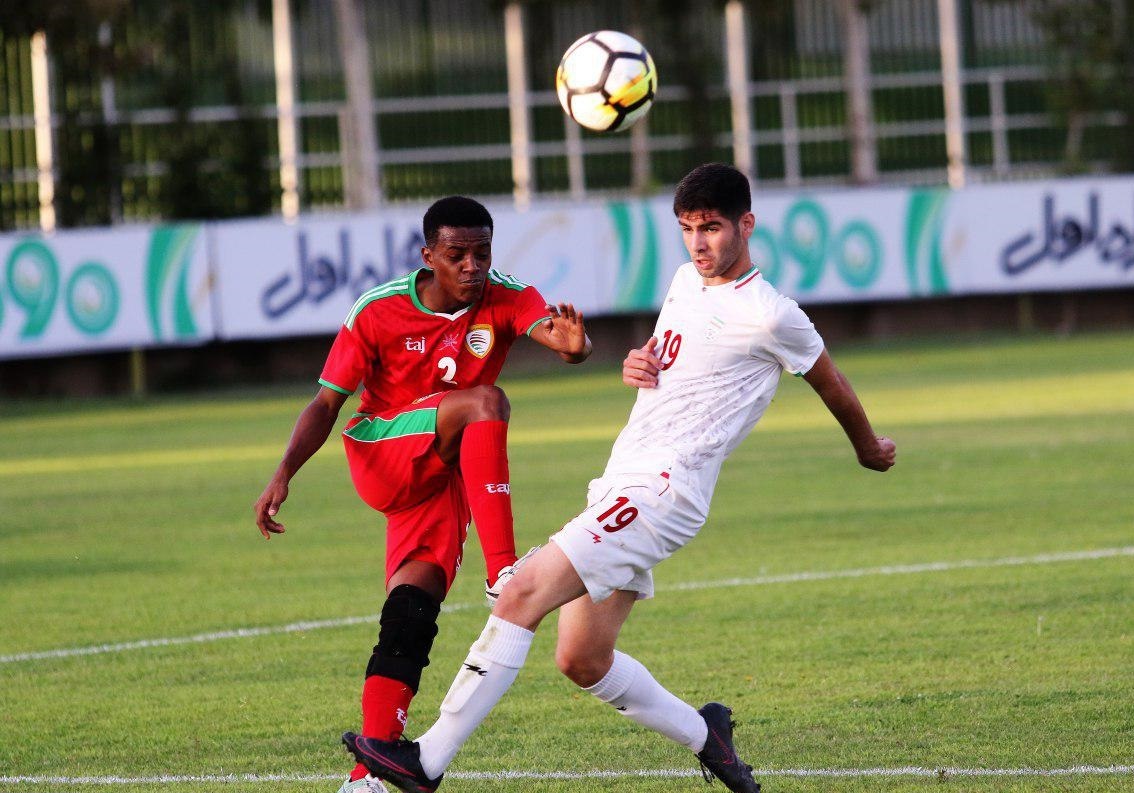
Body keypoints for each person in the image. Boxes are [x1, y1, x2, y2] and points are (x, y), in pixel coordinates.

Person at [342, 164, 896, 793]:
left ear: (746, 225)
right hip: (619, 481)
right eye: (688, 229)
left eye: (712, 228)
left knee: (521, 591)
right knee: (582, 658)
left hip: (663, 491)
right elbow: (670, 364)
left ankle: (424, 764)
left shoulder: (771, 315)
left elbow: (831, 381)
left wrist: (868, 446)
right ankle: (706, 735)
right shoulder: (686, 282)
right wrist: (639, 364)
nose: (699, 243)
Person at [254, 195, 591, 793]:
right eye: (456, 254)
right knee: (488, 400)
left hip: (440, 471)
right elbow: (327, 402)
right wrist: (284, 471)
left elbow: (552, 331)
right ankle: (503, 573)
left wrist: (574, 348)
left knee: (412, 611)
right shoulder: (378, 311)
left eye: (481, 253)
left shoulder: (506, 294)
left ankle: (371, 771)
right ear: (427, 255)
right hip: (382, 451)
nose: (471, 266)